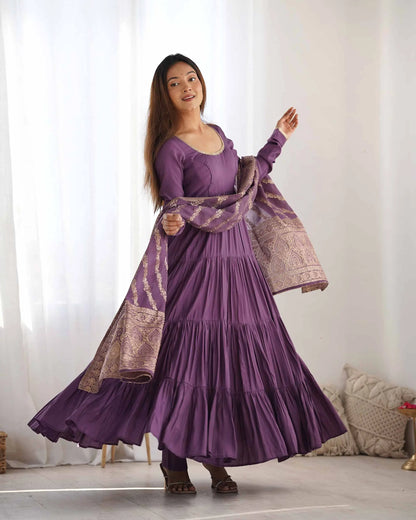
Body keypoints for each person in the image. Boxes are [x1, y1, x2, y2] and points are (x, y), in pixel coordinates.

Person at [28, 53, 347, 496]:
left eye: (191, 78)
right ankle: (174, 464)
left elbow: (249, 182)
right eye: (175, 82)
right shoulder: (170, 149)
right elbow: (174, 208)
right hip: (195, 269)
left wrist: (278, 139)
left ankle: (218, 460)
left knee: (229, 367)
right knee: (184, 363)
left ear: (201, 83)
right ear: (165, 94)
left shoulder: (220, 136)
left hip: (237, 268)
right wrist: (173, 221)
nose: (186, 87)